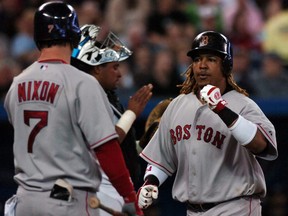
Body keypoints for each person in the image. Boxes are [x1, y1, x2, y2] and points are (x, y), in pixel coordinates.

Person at [4, 2, 141, 216]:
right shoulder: (82, 82)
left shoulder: (17, 83)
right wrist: (129, 197)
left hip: (25, 201)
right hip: (65, 200)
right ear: (74, 35)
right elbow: (107, 150)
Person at [137, 31, 278, 216]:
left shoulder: (242, 104)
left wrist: (221, 109)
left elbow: (263, 146)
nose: (202, 66)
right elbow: (162, 157)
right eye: (196, 60)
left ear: (226, 65)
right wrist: (150, 182)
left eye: (211, 59)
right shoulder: (178, 105)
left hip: (236, 207)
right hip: (193, 210)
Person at [71, 24, 152, 215]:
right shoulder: (85, 95)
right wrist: (131, 114)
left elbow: (116, 144)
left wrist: (142, 144)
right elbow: (105, 144)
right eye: (114, 67)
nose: (120, 73)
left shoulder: (103, 94)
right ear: (97, 69)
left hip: (107, 188)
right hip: (99, 189)